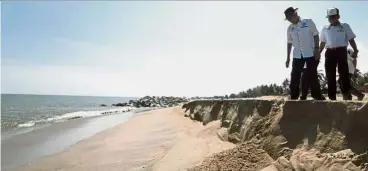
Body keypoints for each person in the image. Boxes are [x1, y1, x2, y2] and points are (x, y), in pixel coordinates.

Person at [319, 7, 359, 100]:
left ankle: (347, 96)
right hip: (329, 52)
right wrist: (319, 53)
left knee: (344, 74)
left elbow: (351, 39)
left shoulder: (345, 26)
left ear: (338, 16)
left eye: (333, 17)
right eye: (330, 17)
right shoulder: (325, 28)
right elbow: (322, 42)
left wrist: (355, 50)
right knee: (330, 75)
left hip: (341, 51)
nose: (332, 19)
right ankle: (332, 97)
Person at [284, 7, 323, 100]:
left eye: (290, 18)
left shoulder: (308, 22)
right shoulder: (290, 28)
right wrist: (288, 57)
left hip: (310, 53)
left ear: (295, 15)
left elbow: (316, 35)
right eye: (288, 19)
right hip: (297, 55)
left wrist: (317, 49)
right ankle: (293, 96)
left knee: (312, 75)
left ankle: (317, 96)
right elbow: (289, 42)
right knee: (294, 76)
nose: (289, 21)